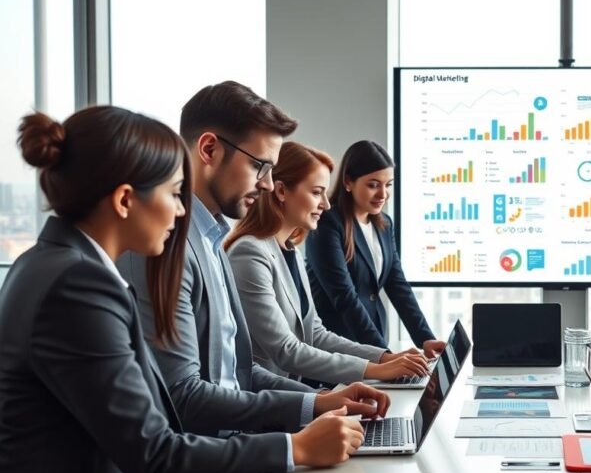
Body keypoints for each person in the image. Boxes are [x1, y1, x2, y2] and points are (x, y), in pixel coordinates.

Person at [0, 107, 372, 473]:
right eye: (175, 194)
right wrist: (294, 448)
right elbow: (157, 455)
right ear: (124, 201)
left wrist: (303, 426)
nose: (180, 211)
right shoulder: (78, 285)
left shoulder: (56, 265)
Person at [119, 81, 388, 437]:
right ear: (210, 149)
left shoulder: (213, 240)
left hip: (235, 442)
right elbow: (183, 398)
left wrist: (320, 401)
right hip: (211, 461)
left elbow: (238, 371)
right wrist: (298, 443)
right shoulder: (165, 247)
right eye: (259, 166)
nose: (266, 184)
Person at [225, 141, 432, 386]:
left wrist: (385, 357)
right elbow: (286, 350)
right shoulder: (250, 252)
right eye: (316, 192)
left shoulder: (289, 250)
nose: (326, 203)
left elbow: (315, 334)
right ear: (280, 191)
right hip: (264, 404)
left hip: (292, 393)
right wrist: (376, 370)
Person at [305, 140, 445, 357]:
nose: (383, 194)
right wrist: (385, 356)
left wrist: (425, 338)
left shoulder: (384, 224)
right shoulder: (327, 224)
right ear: (348, 182)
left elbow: (397, 285)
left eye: (388, 184)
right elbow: (344, 296)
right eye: (373, 185)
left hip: (375, 337)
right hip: (338, 346)